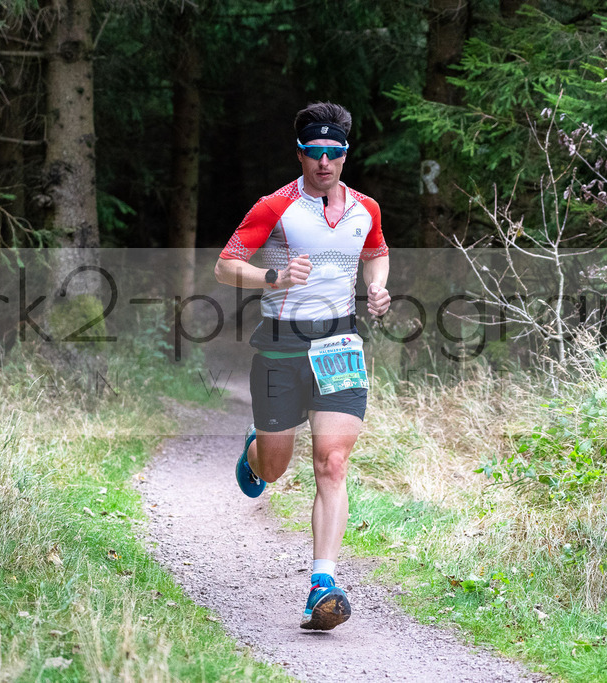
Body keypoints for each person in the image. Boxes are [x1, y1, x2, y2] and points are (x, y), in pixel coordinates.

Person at [214, 101, 390, 631]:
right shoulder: (275, 206)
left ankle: (322, 585)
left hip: (340, 344)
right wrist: (273, 278)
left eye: (333, 153)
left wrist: (377, 287)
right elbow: (225, 265)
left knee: (332, 462)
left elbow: (376, 252)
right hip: (281, 347)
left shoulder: (365, 208)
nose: (324, 162)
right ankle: (255, 452)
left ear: (345, 154)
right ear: (300, 154)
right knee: (274, 469)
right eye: (314, 153)